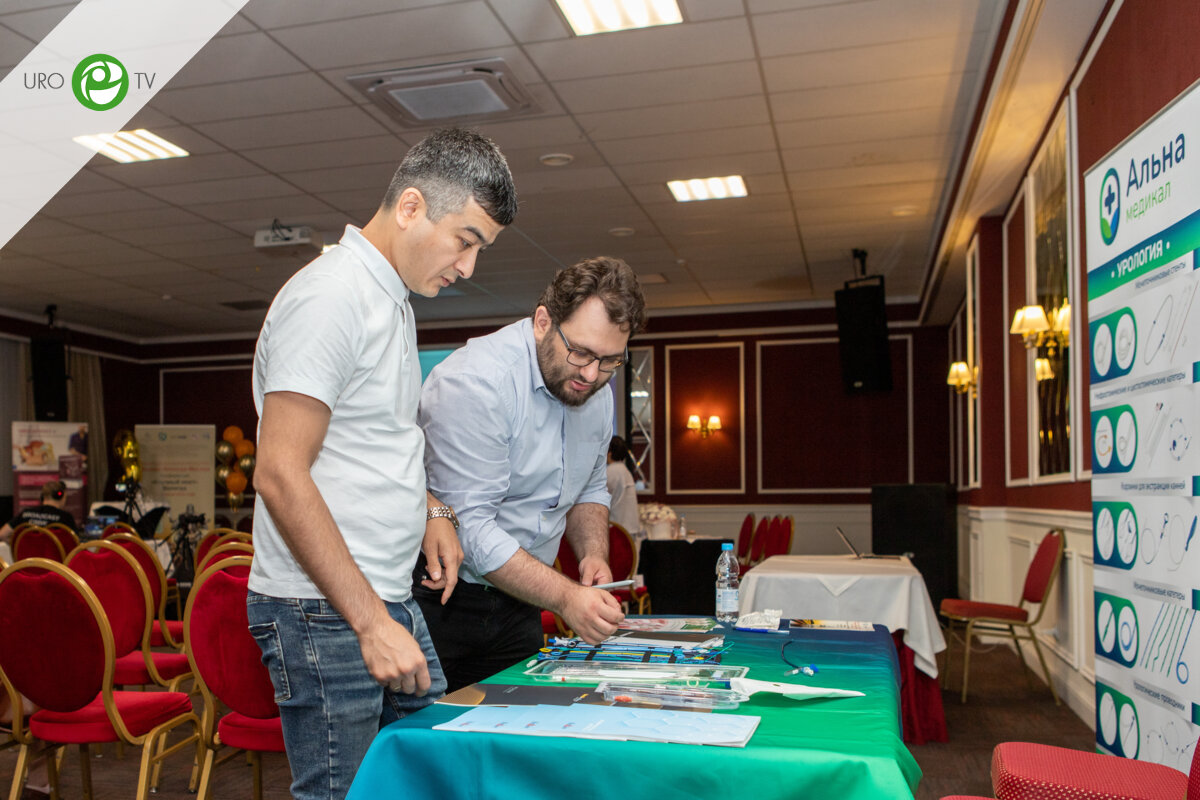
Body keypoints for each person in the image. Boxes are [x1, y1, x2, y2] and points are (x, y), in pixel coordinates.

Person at [246, 128, 516, 800]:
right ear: (411, 207)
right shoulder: (332, 295)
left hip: (380, 596)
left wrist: (430, 509)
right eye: (466, 240)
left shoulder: (390, 299)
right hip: (325, 608)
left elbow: (370, 444)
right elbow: (279, 470)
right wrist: (371, 622)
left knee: (423, 777)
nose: (468, 267)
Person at [416, 256, 647, 691]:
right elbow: (471, 529)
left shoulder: (594, 391)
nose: (591, 374)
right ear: (543, 322)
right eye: (581, 352)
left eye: (609, 361)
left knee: (517, 721)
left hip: (522, 597)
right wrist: (565, 596)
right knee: (431, 731)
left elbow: (589, 488)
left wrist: (592, 554)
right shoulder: (477, 382)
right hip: (440, 599)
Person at [0, 480, 77, 544]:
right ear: (61, 496)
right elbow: (75, 543)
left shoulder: (25, 514)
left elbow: (2, 534)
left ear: (42, 497)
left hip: (27, 557)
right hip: (53, 558)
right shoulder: (65, 518)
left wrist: (19, 545)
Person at [605, 436, 640, 534]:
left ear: (609, 453)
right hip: (631, 528)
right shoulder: (626, 472)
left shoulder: (609, 472)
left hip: (617, 529)